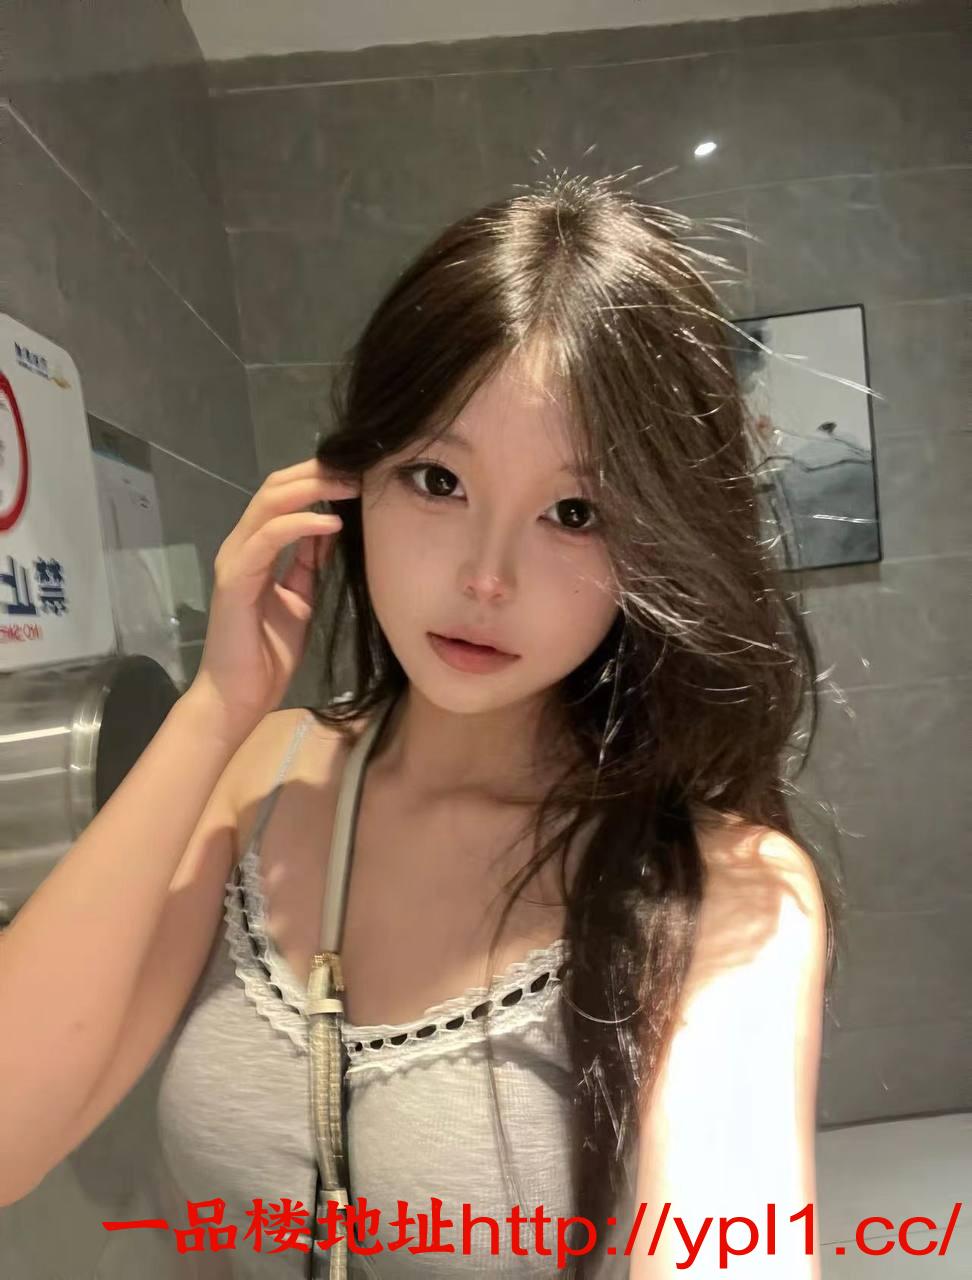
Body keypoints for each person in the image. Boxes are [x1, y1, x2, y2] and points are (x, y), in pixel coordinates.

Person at [0, 174, 838, 1278]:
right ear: (350, 485)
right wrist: (215, 707)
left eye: (574, 512)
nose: (487, 577)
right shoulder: (262, 776)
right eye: (438, 479)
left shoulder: (724, 885)